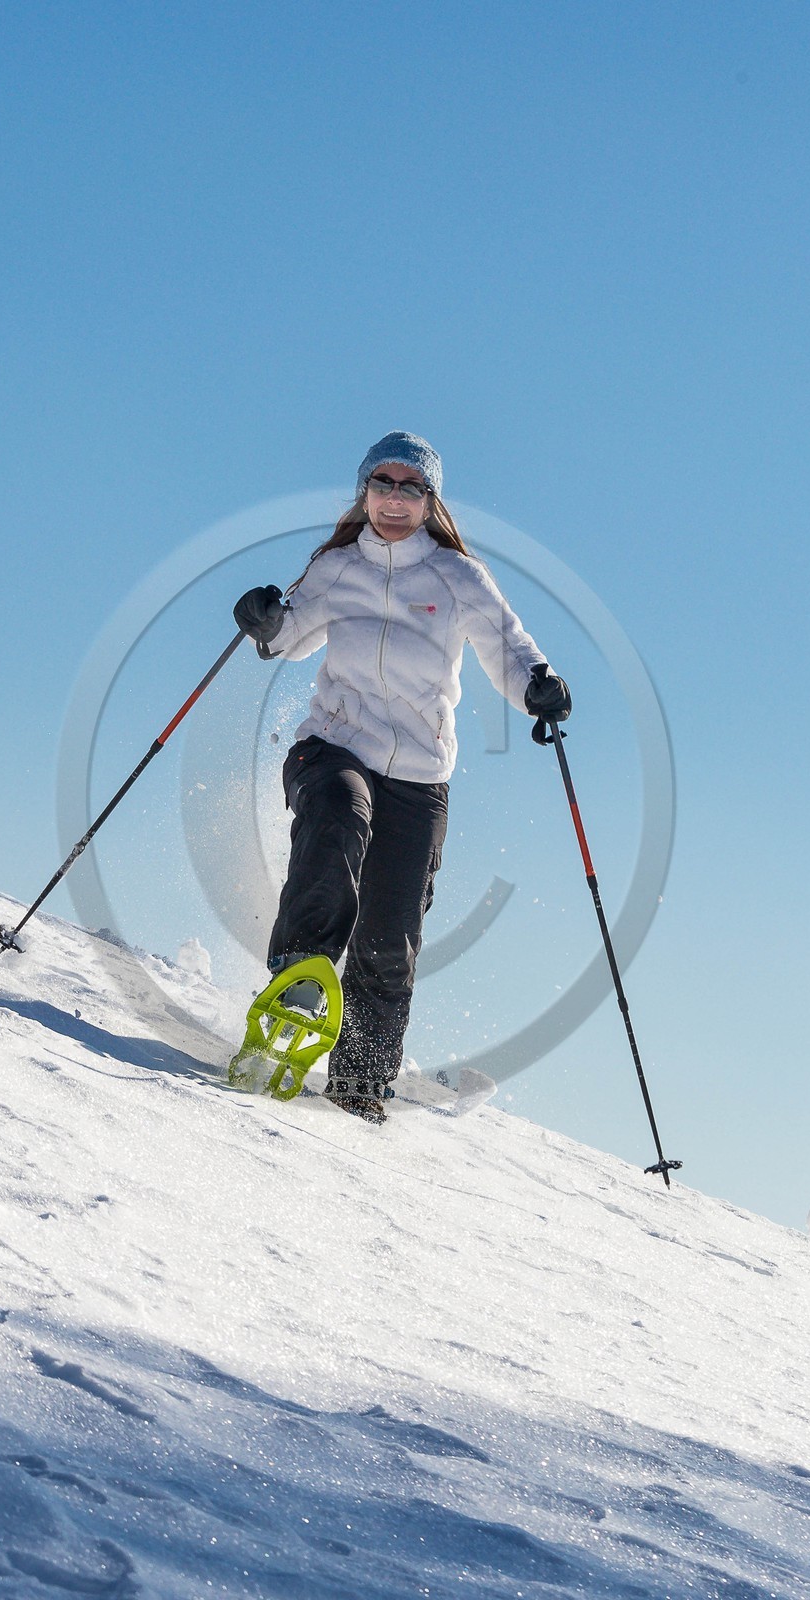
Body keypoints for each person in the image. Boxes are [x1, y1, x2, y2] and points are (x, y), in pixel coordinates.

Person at [233, 431, 570, 1123]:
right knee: (337, 813)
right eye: (381, 485)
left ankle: (360, 1083)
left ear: (429, 500)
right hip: (332, 745)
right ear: (363, 492)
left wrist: (537, 686)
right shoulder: (334, 568)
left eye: (409, 487)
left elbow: (508, 649)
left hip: (419, 775)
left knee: (391, 934)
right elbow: (286, 640)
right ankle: (300, 973)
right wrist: (263, 623)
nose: (393, 499)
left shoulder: (457, 579)